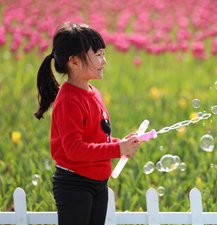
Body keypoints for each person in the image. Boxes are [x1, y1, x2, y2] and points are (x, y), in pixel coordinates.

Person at [34, 22, 141, 225]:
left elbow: (97, 137)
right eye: (98, 55)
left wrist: (121, 144)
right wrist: (116, 148)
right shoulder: (68, 100)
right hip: (75, 185)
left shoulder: (93, 92)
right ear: (74, 62)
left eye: (103, 54)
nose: (104, 61)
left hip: (98, 182)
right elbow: (74, 149)